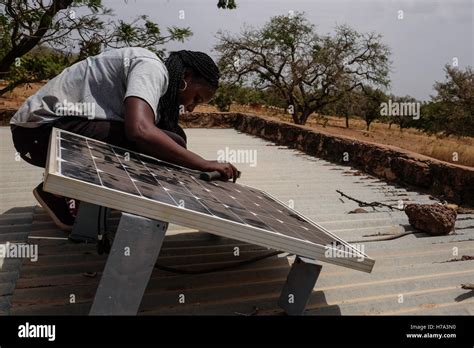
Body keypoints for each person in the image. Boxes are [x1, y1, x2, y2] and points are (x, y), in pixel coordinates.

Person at [10, 47, 239, 231]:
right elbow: (139, 130)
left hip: (48, 134)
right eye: (196, 98)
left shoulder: (156, 84)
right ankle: (59, 190)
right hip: (38, 133)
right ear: (186, 77)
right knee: (159, 140)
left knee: (174, 137)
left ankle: (82, 190)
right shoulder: (151, 67)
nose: (191, 108)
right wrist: (203, 163)